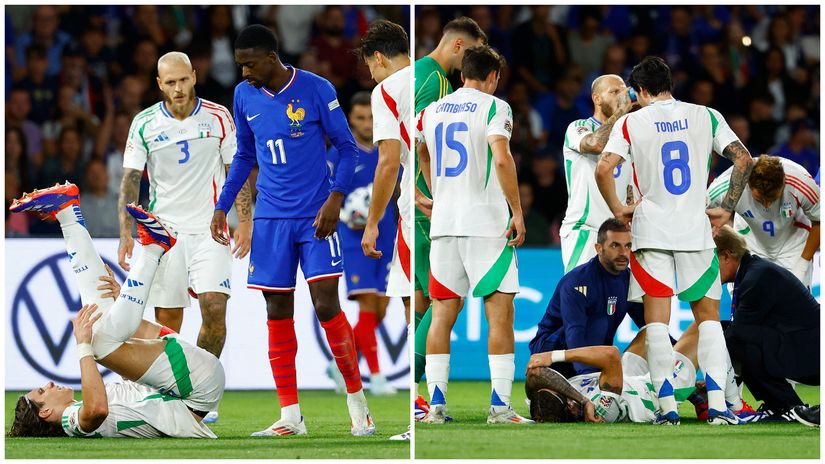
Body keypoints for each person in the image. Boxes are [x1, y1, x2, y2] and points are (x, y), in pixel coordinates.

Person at [210, 24, 373, 437]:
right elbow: (245, 154)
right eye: (240, 65)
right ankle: (290, 416)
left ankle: (359, 408)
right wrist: (222, 206)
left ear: (270, 58)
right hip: (270, 220)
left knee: (325, 306)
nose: (244, 72)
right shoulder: (244, 95)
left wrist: (335, 199)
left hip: (316, 217)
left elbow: (349, 148)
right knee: (276, 311)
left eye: (249, 64)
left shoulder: (316, 88)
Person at [595, 56, 754, 425]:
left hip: (651, 230)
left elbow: (604, 167)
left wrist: (619, 209)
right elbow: (743, 159)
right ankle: (718, 408)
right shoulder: (707, 115)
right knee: (710, 319)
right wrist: (726, 208)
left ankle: (667, 411)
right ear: (669, 84)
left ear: (641, 90)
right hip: (695, 229)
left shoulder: (633, 122)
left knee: (656, 323)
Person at [9, 183, 223, 438]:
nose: (49, 384)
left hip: (193, 380)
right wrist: (83, 346)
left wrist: (123, 301)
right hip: (194, 391)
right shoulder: (72, 421)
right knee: (96, 342)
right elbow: (97, 410)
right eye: (43, 392)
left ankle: (67, 210)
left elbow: (145, 344)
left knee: (103, 322)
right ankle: (151, 248)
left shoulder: (81, 406)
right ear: (45, 414)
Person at [117, 51, 250, 424]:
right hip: (164, 234)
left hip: (212, 229)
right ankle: (166, 395)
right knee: (168, 321)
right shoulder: (144, 124)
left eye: (183, 80)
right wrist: (126, 233)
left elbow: (235, 169)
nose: (178, 88)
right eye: (170, 82)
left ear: (194, 76)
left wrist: (246, 221)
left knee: (214, 309)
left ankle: (200, 398)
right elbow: (130, 181)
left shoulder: (219, 116)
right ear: (159, 84)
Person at [417, 45, 532, 425]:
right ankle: (500, 407)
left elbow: (420, 152)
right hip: (486, 224)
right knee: (499, 315)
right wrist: (517, 211)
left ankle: (435, 407)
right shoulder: (495, 107)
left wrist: (431, 192)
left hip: (444, 225)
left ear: (461, 74)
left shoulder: (430, 111)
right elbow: (501, 157)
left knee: (441, 315)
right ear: (494, 76)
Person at [412, 16, 486, 419]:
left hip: (423, 203)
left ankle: (418, 396)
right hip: (430, 206)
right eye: (471, 52)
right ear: (458, 46)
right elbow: (413, 141)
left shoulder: (425, 76)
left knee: (428, 302)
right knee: (446, 300)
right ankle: (412, 393)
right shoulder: (432, 82)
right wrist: (423, 192)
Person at [526, 321, 762, 424]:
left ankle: (695, 394)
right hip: (653, 392)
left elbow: (537, 375)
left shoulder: (554, 401)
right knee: (707, 327)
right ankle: (731, 403)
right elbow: (610, 355)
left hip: (628, 380)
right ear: (568, 405)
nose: (554, 383)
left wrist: (578, 398)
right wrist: (556, 356)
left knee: (649, 332)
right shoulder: (601, 409)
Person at [355, 19, 412, 442]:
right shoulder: (439, 79)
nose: (371, 77)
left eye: (370, 67)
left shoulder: (387, 91)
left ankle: (421, 409)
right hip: (457, 205)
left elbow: (389, 162)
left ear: (378, 58)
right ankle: (495, 402)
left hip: (413, 210)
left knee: (414, 306)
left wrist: (374, 221)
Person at [326, 91, 397, 396]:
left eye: (370, 117)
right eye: (360, 118)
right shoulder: (340, 155)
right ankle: (377, 376)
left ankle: (339, 363)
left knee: (380, 307)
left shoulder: (391, 150)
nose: (367, 124)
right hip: (355, 239)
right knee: (368, 306)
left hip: (390, 235)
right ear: (349, 120)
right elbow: (325, 195)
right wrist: (345, 212)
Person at [714, 225, 820, 421]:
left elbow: (737, 334)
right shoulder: (752, 271)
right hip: (800, 348)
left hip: (812, 356)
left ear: (727, 255)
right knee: (727, 335)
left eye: (708, 261)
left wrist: (714, 375)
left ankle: (786, 406)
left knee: (735, 340)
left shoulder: (757, 276)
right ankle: (780, 405)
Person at [529, 219, 646, 379]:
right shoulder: (578, 281)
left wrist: (677, 352)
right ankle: (579, 383)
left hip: (593, 356)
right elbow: (574, 332)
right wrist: (588, 379)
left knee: (650, 333)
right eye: (615, 246)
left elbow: (649, 326)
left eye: (628, 246)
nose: (623, 253)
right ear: (599, 248)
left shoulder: (629, 280)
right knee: (597, 322)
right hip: (551, 353)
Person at [560, 75, 636, 273]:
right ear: (597, 98)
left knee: (614, 302)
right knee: (580, 299)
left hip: (618, 236)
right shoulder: (578, 127)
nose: (620, 97)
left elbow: (628, 186)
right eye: (613, 92)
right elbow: (595, 144)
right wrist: (621, 113)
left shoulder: (629, 137)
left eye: (622, 91)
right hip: (585, 230)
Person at [707, 155, 819, 287]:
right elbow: (697, 215)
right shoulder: (728, 184)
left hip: (793, 248)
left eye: (772, 199)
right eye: (760, 200)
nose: (767, 206)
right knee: (747, 304)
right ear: (748, 184)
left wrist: (803, 264)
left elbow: (820, 221)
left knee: (795, 305)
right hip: (749, 245)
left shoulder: (801, 183)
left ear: (784, 182)